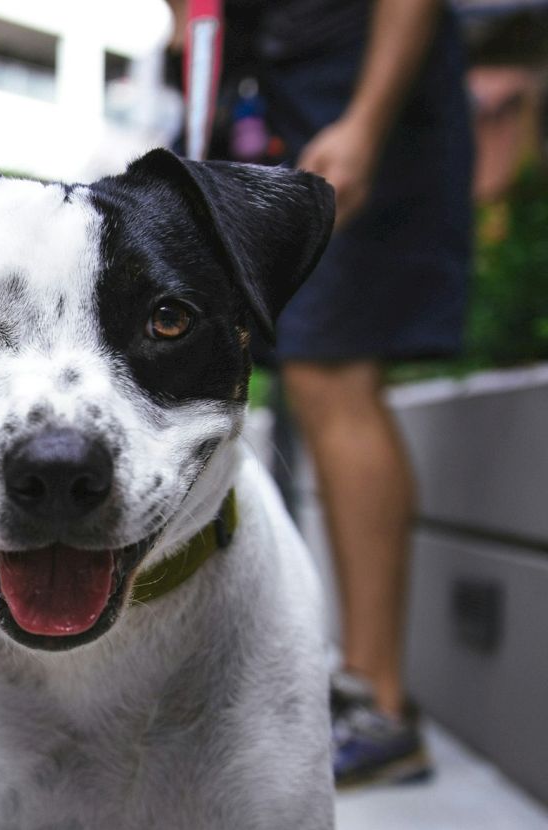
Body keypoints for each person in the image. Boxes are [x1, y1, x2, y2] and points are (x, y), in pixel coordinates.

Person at [168, 0, 475, 788]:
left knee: (331, 370)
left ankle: (380, 705)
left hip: (359, 89)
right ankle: (314, 684)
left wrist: (367, 121)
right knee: (264, 365)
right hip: (267, 87)